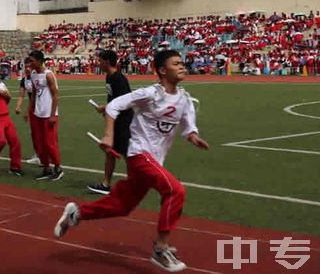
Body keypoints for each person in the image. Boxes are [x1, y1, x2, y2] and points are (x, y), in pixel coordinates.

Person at [53, 49, 209, 272]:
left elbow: (188, 125)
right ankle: (160, 248)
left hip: (155, 161)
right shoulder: (150, 94)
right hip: (139, 154)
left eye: (182, 62)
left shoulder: (184, 99)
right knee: (175, 191)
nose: (182, 66)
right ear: (163, 70)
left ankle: (75, 214)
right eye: (176, 63)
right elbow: (114, 106)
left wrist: (193, 136)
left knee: (122, 205)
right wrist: (109, 135)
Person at [87, 50, 133, 195]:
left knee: (127, 153)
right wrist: (108, 112)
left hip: (124, 122)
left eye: (100, 61)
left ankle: (135, 183)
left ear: (107, 62)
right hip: (115, 121)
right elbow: (113, 100)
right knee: (110, 152)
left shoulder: (119, 78)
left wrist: (106, 108)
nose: (98, 63)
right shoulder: (109, 77)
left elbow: (125, 102)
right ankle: (106, 184)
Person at [29, 50, 63, 181]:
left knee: (50, 143)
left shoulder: (48, 75)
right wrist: (31, 110)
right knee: (40, 143)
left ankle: (58, 168)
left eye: (32, 61)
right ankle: (46, 168)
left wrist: (54, 114)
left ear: (39, 61)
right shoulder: (33, 74)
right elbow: (33, 94)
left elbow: (55, 95)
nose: (30, 63)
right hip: (38, 113)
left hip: (49, 114)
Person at [15, 56, 40, 165]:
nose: (27, 69)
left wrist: (27, 111)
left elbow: (35, 97)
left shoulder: (37, 78)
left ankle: (45, 156)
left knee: (42, 133)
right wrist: (18, 106)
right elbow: (21, 95)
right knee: (34, 133)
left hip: (40, 107)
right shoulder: (24, 80)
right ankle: (38, 155)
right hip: (33, 107)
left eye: (30, 66)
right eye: (26, 67)